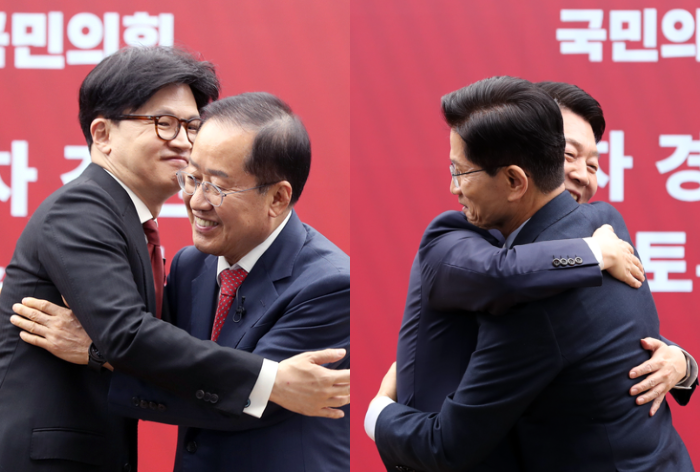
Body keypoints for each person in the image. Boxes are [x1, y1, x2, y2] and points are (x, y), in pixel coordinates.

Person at [0, 47, 348, 472]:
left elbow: (218, 391)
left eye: (191, 126)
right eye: (164, 123)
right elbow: (131, 337)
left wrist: (96, 350)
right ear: (102, 134)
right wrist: (271, 380)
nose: (183, 141)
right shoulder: (86, 210)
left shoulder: (331, 283)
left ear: (277, 198)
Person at [368, 77, 693, 471]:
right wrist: (592, 254)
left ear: (516, 178)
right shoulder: (603, 229)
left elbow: (448, 445)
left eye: (592, 163)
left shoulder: (542, 293)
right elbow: (504, 274)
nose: (580, 174)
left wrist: (377, 414)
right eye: (567, 153)